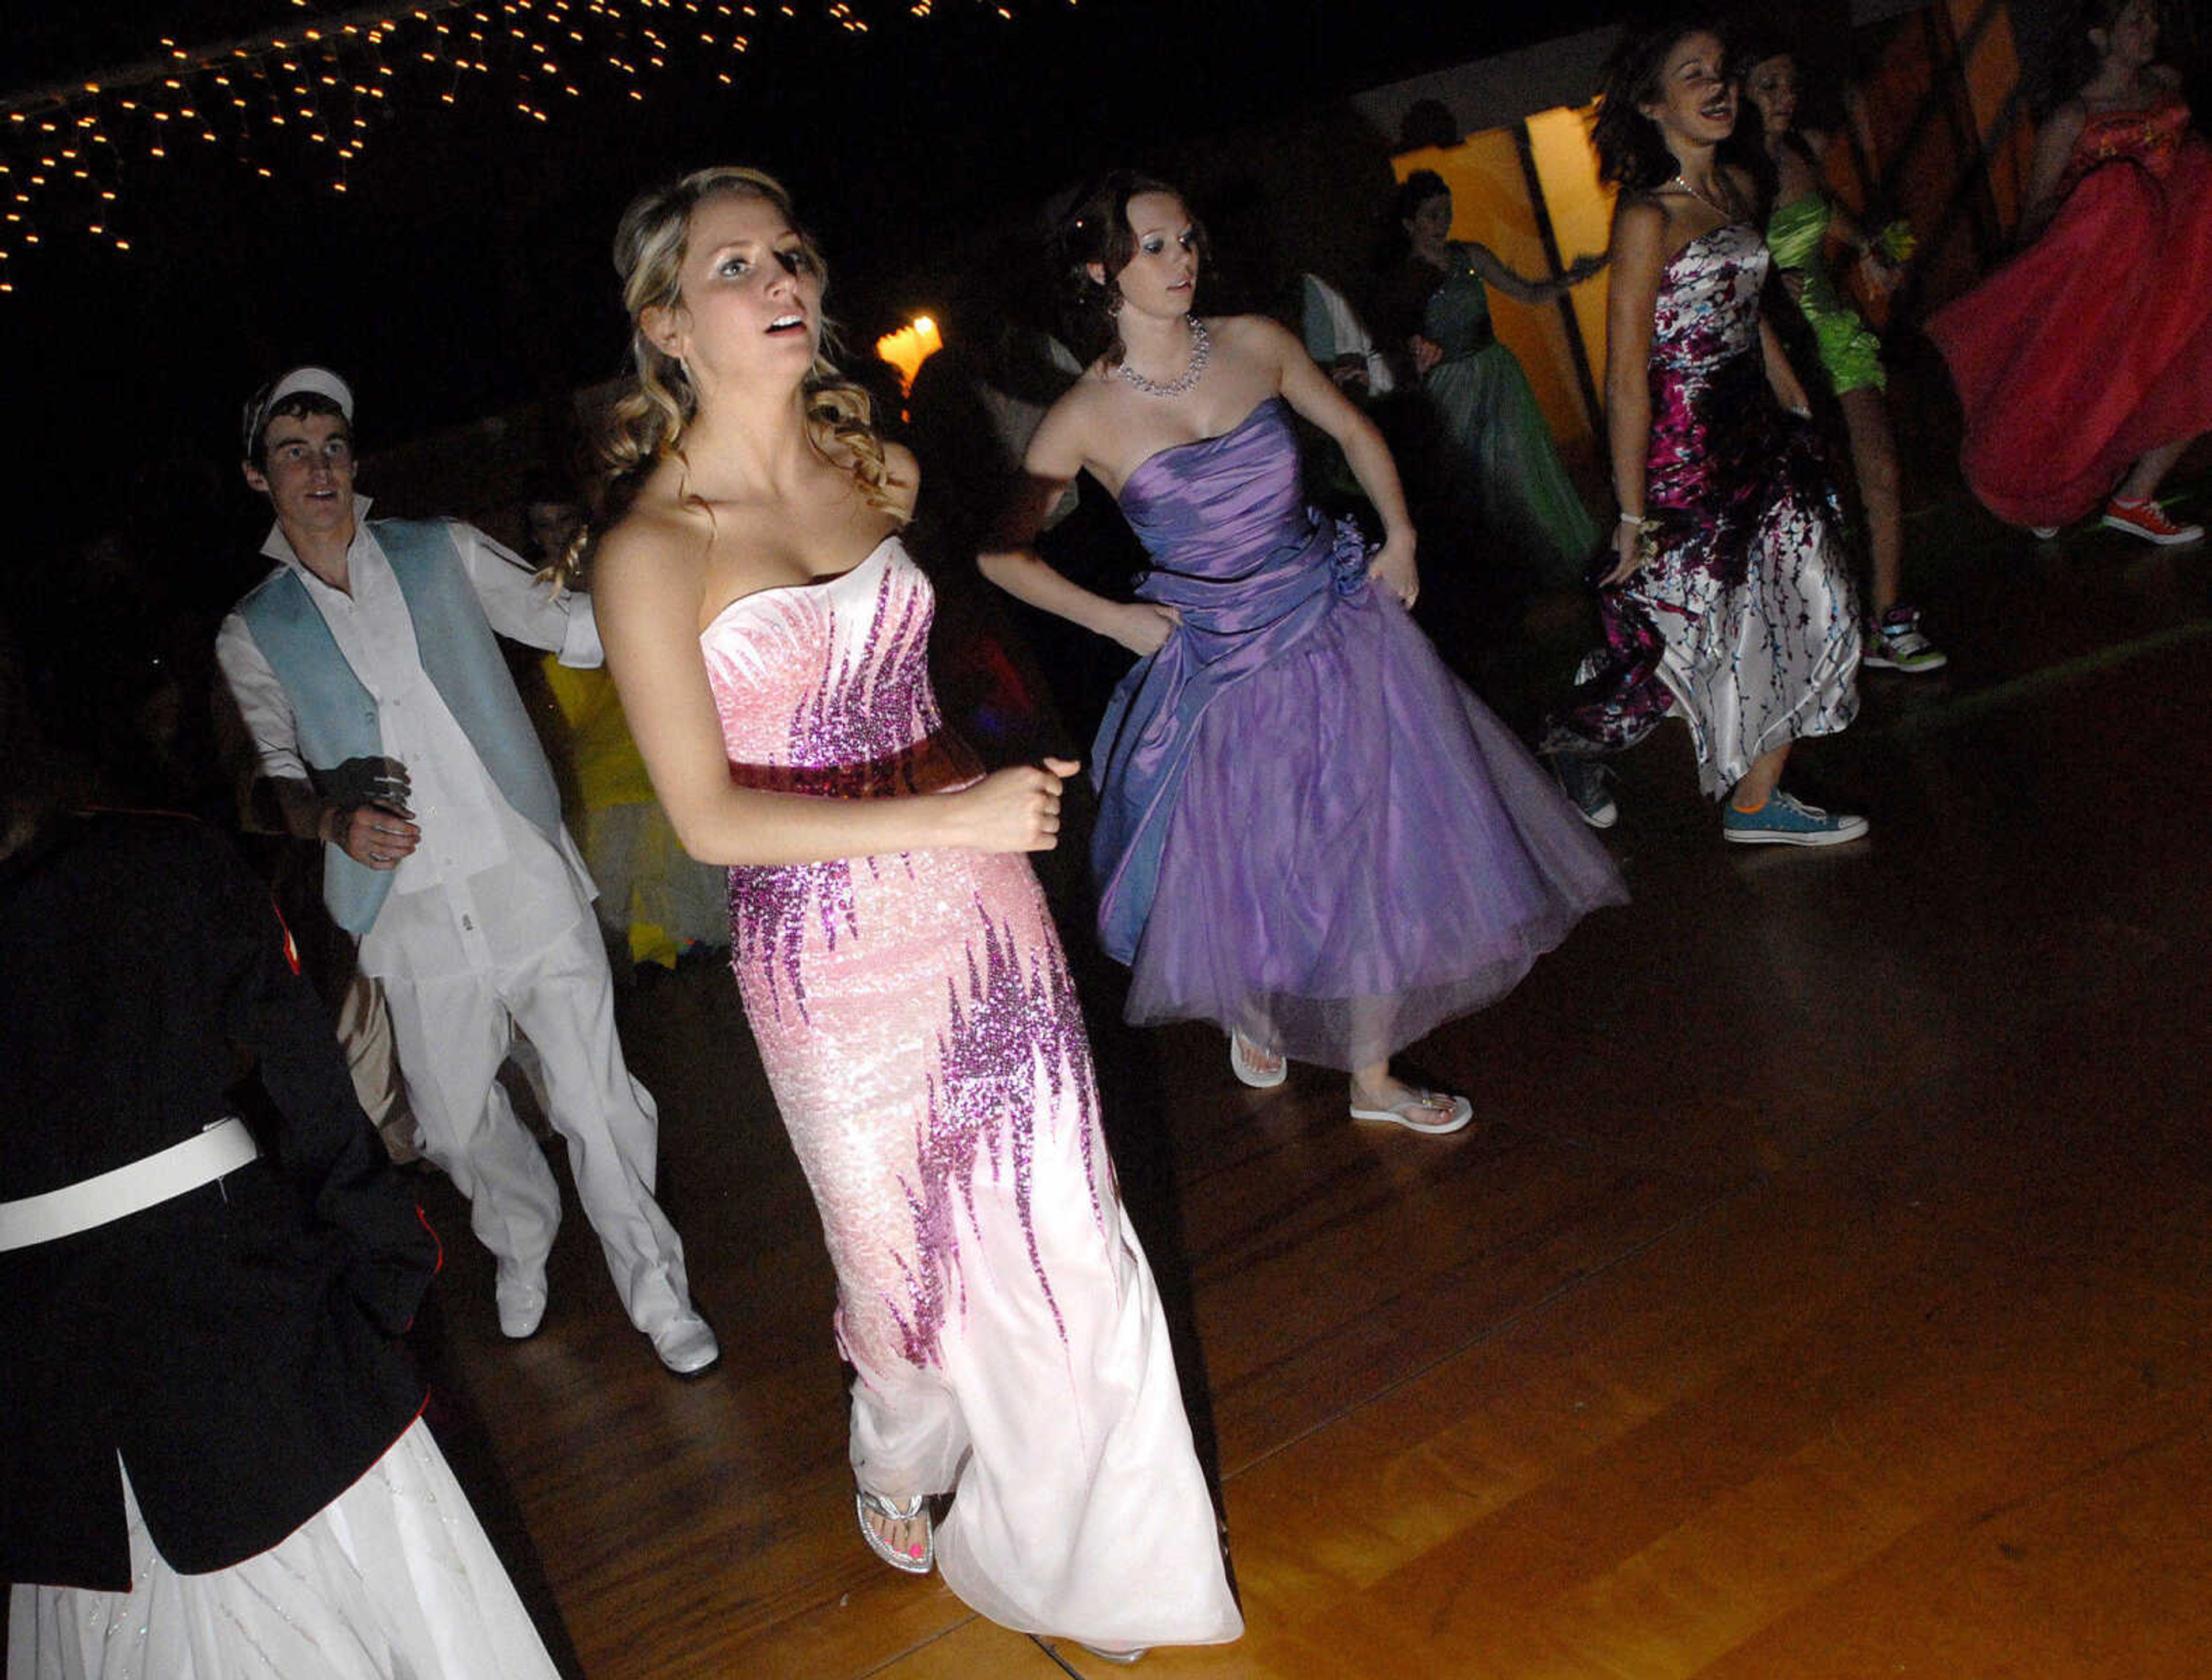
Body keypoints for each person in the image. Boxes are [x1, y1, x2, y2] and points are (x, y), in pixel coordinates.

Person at [585, 165, 1243, 1662]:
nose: (781, 280)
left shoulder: (873, 469)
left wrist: (974, 809)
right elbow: (706, 819)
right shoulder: (648, 549)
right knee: (903, 1269)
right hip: (822, 945)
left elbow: (922, 683)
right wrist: (948, 814)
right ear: (667, 322)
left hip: (981, 898)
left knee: (1068, 1224)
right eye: (736, 264)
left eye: (789, 251)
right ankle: (891, 1440)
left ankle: (1122, 1566)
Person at [981, 171, 1625, 1129]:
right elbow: (1000, 556)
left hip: (1333, 619)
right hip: (1221, 663)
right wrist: (1120, 622)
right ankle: (1258, 999)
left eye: (1188, 239)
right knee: (1267, 858)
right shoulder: (1084, 414)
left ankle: (1372, 1081)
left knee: (1367, 838)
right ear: (1097, 267)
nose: (1183, 260)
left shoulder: (1257, 343)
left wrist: (1399, 539)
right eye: (1155, 246)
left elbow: (1359, 433)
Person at [0, 647, 559, 1679]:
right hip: (238, 1325)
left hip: (61, 1382)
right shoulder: (160, 860)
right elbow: (311, 1085)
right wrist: (386, 1267)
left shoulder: (157, 862)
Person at [214, 367, 718, 1375]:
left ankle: (659, 1294)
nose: (319, 468)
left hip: (522, 878)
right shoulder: (251, 630)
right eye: (293, 450)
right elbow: (265, 777)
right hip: (408, 915)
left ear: (355, 460)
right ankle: (520, 1238)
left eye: (333, 445)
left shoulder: (437, 550)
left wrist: (678, 579)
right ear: (257, 476)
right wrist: (331, 820)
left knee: (595, 1100)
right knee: (449, 1121)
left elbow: (571, 626)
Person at [1541, 22, 1866, 846]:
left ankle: (1757, 802)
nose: (1718, 88)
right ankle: (1577, 741)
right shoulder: (1647, 217)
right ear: (1652, 105)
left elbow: (1750, 316)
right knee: (1680, 629)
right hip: (1684, 451)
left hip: (1758, 431)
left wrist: (1793, 401)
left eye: (1721, 73)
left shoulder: (1736, 192)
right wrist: (1629, 514)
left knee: (1814, 593)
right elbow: (1625, 374)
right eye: (1694, 76)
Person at [1923, 0, 2211, 544]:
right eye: (2136, 21)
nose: (2151, 30)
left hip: (2173, 267)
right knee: (2086, 391)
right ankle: (2047, 489)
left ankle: (2136, 497)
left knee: (2195, 367)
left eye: (2154, 17)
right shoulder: (2073, 118)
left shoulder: (2165, 83)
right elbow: (2039, 211)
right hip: (2108, 281)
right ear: (2100, 36)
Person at [1738, 38, 1950, 674]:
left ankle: (1890, 617)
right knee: (1807, 496)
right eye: (1769, 85)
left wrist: (1866, 245)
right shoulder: (1731, 175)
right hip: (1774, 346)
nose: (1785, 97)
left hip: (1832, 329)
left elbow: (1823, 211)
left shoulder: (1801, 152)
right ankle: (1822, 628)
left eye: (1789, 84)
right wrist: (1775, 286)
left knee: (1881, 467)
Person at [522, 486, 730, 971]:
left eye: (564, 519)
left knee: (697, 928)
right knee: (640, 929)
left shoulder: (624, 568)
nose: (557, 533)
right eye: (544, 525)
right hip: (603, 777)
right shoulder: (533, 601)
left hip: (667, 754)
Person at [1383, 169, 1606, 588]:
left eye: (1446, 213)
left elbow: (1528, 293)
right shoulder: (1404, 279)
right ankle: (1498, 580)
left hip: (1497, 374)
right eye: (1432, 216)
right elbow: (1394, 344)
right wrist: (1413, 356)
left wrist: (1571, 278)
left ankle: (1551, 565)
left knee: (1523, 469)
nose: (1443, 223)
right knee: (1474, 481)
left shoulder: (1470, 256)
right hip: (1450, 388)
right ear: (1409, 224)